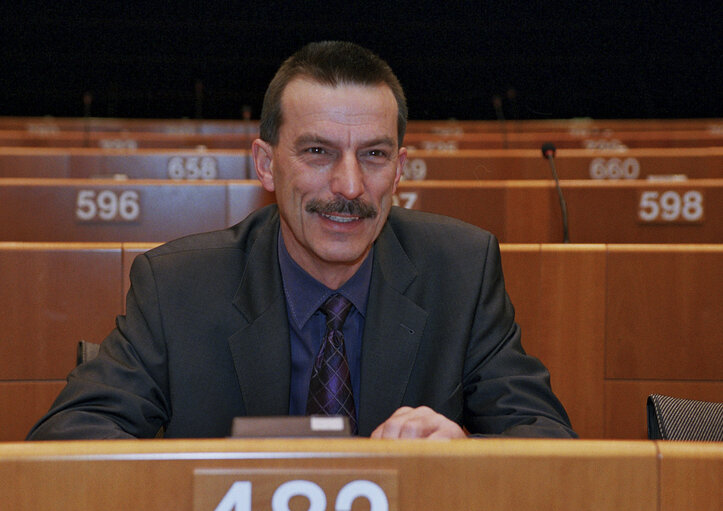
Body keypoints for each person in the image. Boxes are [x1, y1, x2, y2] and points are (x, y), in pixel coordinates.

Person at [27, 41, 575, 440]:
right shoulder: (178, 286)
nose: (350, 187)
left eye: (374, 154)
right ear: (266, 164)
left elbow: (547, 438)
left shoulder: (462, 269)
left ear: (401, 168)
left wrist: (467, 454)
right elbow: (68, 441)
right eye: (317, 152)